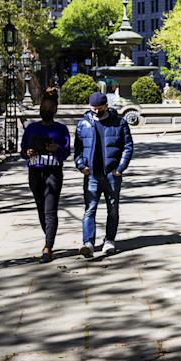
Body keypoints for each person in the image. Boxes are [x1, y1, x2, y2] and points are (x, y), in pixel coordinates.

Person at [73, 91, 134, 258]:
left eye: (100, 108)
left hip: (111, 174)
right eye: (93, 108)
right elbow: (77, 148)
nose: (96, 111)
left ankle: (109, 241)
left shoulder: (119, 123)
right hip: (91, 173)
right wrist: (80, 165)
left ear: (106, 106)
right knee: (89, 209)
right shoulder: (83, 124)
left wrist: (120, 168)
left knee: (112, 209)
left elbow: (128, 146)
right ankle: (88, 243)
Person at [20, 87, 70, 263]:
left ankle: (48, 247)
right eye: (44, 107)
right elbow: (22, 150)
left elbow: (66, 152)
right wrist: (28, 152)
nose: (46, 110)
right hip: (35, 171)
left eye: (49, 108)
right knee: (40, 208)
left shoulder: (61, 129)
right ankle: (48, 236)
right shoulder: (32, 128)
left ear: (55, 110)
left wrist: (56, 148)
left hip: (53, 172)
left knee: (50, 210)